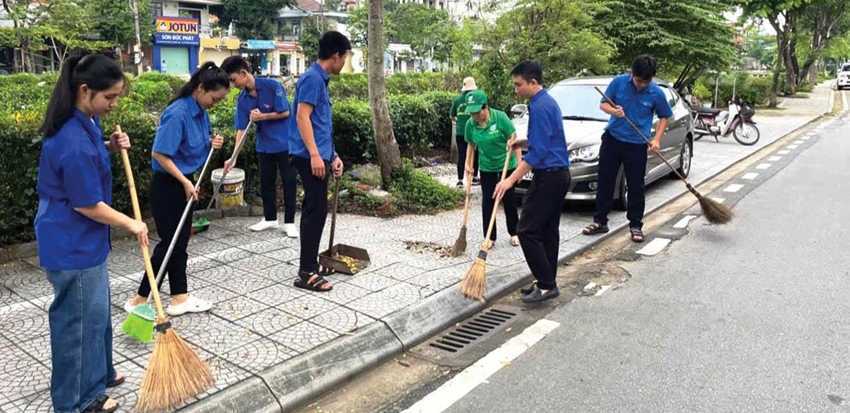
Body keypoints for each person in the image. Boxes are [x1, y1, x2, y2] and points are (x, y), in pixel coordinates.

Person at [35, 53, 149, 413]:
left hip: (85, 239)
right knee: (78, 322)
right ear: (85, 90)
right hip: (71, 242)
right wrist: (131, 222)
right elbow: (87, 204)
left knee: (96, 313)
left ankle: (100, 374)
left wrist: (109, 147)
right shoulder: (72, 138)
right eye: (109, 97)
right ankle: (78, 399)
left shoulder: (85, 121)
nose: (114, 104)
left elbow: (89, 160)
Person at [124, 62, 228, 316]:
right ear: (200, 89)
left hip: (185, 182)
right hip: (168, 185)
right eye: (214, 98)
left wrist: (212, 143)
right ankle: (140, 298)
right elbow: (159, 154)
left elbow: (193, 147)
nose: (214, 104)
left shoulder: (201, 113)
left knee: (179, 243)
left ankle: (180, 297)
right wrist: (184, 181)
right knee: (170, 244)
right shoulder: (177, 113)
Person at [494, 60, 570, 304]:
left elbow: (537, 154)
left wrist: (510, 180)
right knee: (547, 230)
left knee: (526, 230)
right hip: (558, 174)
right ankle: (546, 280)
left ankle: (547, 284)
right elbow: (546, 139)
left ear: (533, 82)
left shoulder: (540, 107)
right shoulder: (546, 102)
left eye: (519, 85)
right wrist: (523, 142)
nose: (516, 90)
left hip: (549, 176)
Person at [582, 55, 673, 243]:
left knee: (636, 185)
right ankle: (600, 221)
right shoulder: (618, 83)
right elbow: (603, 104)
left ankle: (635, 225)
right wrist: (613, 111)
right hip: (613, 139)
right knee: (605, 180)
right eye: (639, 81)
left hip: (637, 144)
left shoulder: (656, 93)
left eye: (646, 82)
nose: (642, 85)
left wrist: (656, 140)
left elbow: (664, 116)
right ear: (632, 74)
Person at [288, 31, 351, 292]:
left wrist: (332, 156)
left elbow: (320, 124)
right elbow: (302, 117)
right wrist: (315, 155)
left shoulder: (320, 80)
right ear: (336, 56)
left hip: (317, 154)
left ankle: (311, 264)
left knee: (315, 209)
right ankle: (306, 272)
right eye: (344, 57)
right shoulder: (312, 79)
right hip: (307, 156)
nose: (344, 62)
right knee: (315, 211)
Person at [220, 56, 299, 237]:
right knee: (266, 183)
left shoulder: (272, 86)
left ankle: (289, 222)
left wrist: (263, 116)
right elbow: (242, 129)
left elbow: (285, 112)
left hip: (285, 143)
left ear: (243, 73)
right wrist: (233, 157)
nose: (233, 85)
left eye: (233, 79)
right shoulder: (242, 100)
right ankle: (270, 218)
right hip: (264, 145)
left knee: (288, 182)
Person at [462, 89, 522, 248]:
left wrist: (519, 165)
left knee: (509, 199)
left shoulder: (500, 118)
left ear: (485, 107)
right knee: (488, 200)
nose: (474, 115)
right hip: (487, 166)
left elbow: (514, 138)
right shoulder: (470, 124)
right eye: (471, 112)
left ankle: (514, 232)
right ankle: (490, 236)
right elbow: (471, 144)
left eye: (476, 112)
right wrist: (468, 164)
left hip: (506, 164)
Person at [449, 77, 480, 188]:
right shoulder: (474, 99)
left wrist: (458, 121)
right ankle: (474, 177)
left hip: (460, 132)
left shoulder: (457, 100)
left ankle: (460, 180)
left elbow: (451, 115)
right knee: (475, 154)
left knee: (462, 155)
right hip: (473, 132)